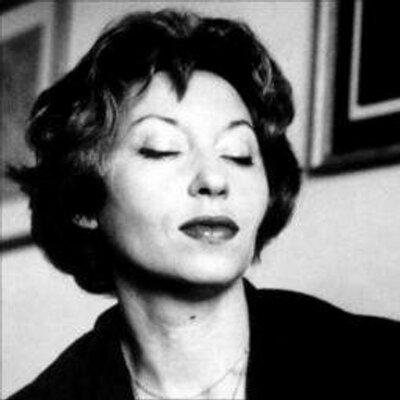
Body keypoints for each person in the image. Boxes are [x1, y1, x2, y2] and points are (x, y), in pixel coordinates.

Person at [7, 9, 400, 400]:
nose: (214, 180)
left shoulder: (379, 362)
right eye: (162, 149)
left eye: (239, 154)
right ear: (82, 198)